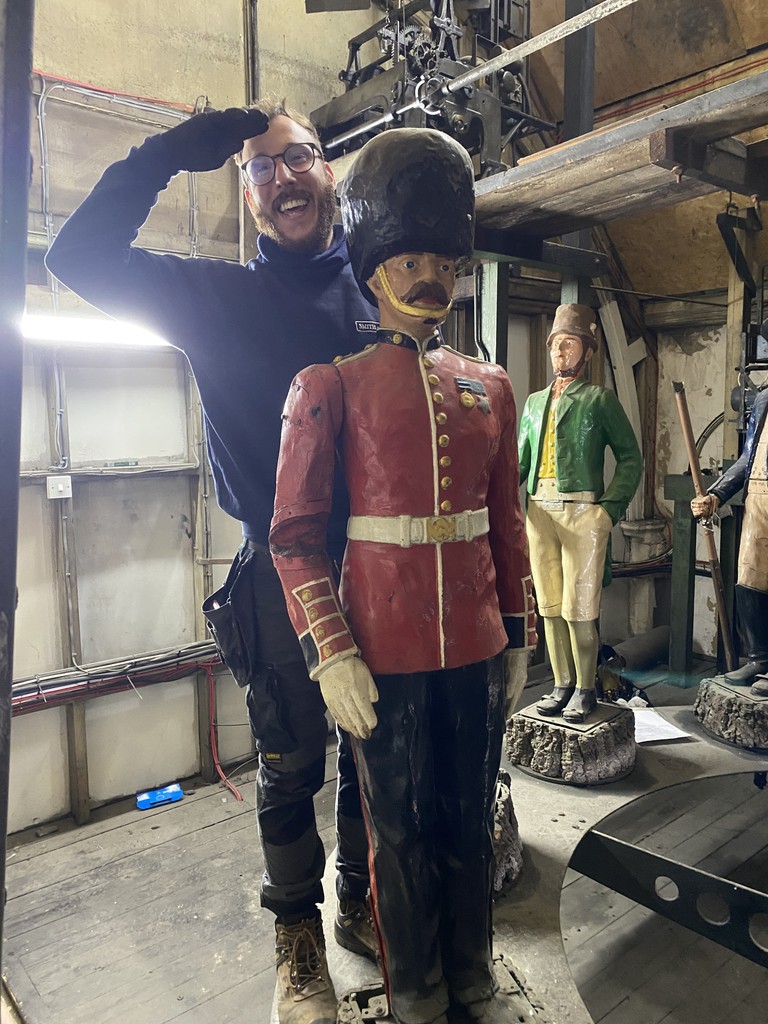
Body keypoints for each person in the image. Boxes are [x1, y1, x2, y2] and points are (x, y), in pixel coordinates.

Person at [44, 98, 379, 1024]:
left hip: (386, 566)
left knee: (373, 746)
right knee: (288, 760)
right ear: (246, 194)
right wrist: (175, 149)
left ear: (330, 171)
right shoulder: (217, 299)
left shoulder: (381, 295)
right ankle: (297, 944)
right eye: (261, 169)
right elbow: (74, 259)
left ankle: (358, 897)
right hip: (279, 570)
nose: (282, 179)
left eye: (298, 158)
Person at [269, 127, 536, 1024]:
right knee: (396, 831)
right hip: (378, 646)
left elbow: (505, 523)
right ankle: (415, 987)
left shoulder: (491, 387)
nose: (430, 275)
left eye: (442, 258)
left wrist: (518, 632)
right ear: (376, 263)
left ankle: (470, 966)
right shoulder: (326, 386)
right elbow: (295, 540)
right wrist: (329, 652)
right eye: (410, 255)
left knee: (469, 814)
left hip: (474, 644)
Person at [518, 305, 643, 723]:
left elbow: (631, 458)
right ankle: (561, 683)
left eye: (569, 344)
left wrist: (607, 511)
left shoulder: (599, 400)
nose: (560, 352)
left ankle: (586, 688)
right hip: (538, 511)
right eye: (556, 344)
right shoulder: (534, 403)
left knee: (579, 609)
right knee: (549, 606)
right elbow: (519, 463)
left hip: (582, 513)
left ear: (587, 352)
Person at [691, 383, 768, 693]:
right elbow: (747, 457)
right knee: (749, 579)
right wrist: (717, 494)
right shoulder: (764, 398)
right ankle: (760, 658)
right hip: (759, 495)